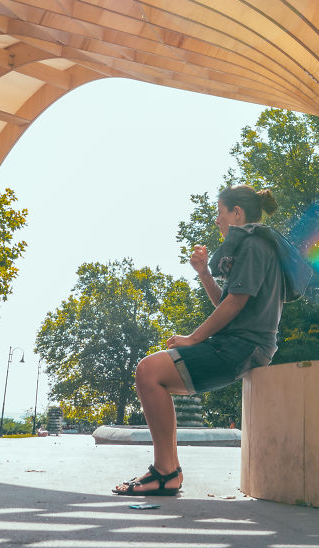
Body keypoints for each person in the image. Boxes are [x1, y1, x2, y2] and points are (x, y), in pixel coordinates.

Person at [113, 185, 286, 496]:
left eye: (220, 213)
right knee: (150, 370)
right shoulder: (255, 244)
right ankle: (167, 470)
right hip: (240, 342)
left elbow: (234, 305)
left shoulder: (254, 245)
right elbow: (231, 303)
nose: (217, 221)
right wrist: (205, 273)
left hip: (242, 346)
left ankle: (166, 472)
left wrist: (193, 339)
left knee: (149, 371)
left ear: (237, 213)